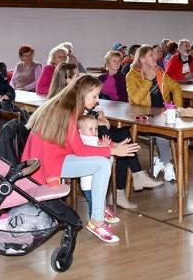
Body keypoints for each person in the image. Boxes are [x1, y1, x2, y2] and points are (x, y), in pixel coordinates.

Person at [22, 75, 140, 243]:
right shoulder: (67, 112)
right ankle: (97, 221)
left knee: (101, 161)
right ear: (82, 94)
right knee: (102, 164)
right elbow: (80, 149)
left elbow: (78, 143)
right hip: (48, 164)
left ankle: (98, 212)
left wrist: (110, 146)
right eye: (95, 96)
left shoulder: (64, 106)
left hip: (49, 160)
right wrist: (113, 150)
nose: (97, 100)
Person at [126, 45, 182, 182]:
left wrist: (178, 107)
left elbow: (175, 87)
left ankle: (162, 161)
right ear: (142, 59)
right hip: (143, 117)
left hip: (163, 114)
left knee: (174, 131)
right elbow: (135, 99)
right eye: (151, 55)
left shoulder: (159, 71)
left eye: (154, 54)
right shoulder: (132, 75)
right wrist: (147, 81)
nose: (155, 57)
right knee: (164, 132)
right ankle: (167, 163)